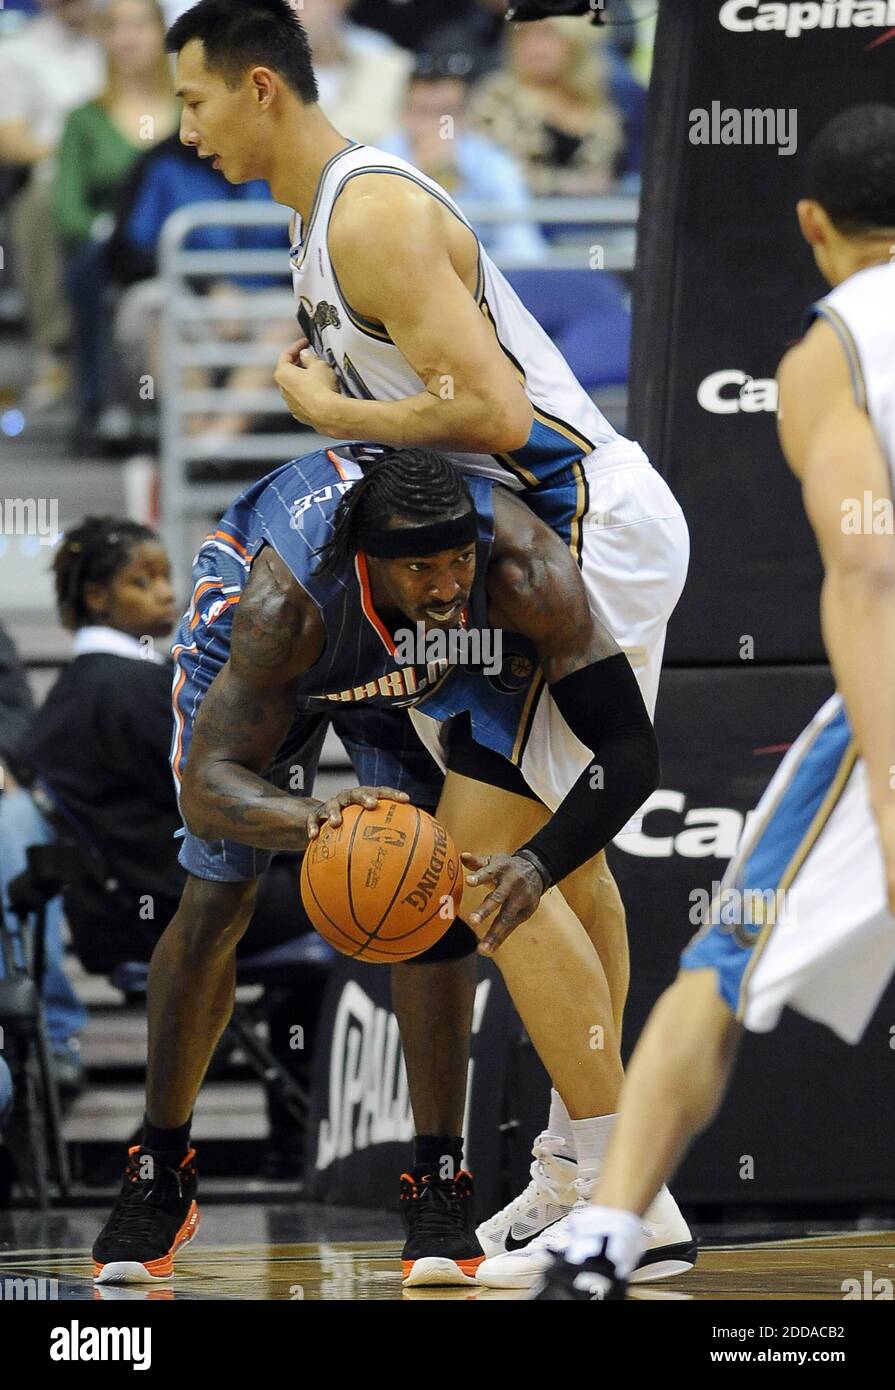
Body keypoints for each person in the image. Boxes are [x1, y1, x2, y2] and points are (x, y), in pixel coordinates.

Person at [159, 0, 691, 1287]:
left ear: (261, 88)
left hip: (575, 529)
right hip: (531, 543)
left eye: (193, 100)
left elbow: (497, 408)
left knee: (473, 860)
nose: (182, 127)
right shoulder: (315, 227)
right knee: (562, 875)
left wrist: (321, 402)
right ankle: (585, 1172)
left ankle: (625, 1195)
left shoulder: (370, 212)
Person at [91, 442, 692, 1288]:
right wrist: (310, 818)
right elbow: (204, 791)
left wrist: (536, 862)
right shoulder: (282, 608)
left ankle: (439, 1178)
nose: (447, 586)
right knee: (216, 899)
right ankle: (159, 1166)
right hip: (297, 672)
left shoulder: (521, 569)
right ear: (371, 563)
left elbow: (630, 749)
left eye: (457, 562)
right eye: (422, 570)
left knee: (429, 887)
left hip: (423, 675)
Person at [532, 103, 895, 1300]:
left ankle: (605, 1230)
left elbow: (866, 568)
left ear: (811, 224)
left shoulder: (827, 355)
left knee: (724, 958)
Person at [15, 517, 329, 1172]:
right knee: (352, 903)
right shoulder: (127, 686)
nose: (166, 594)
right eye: (142, 580)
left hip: (123, 912)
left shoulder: (77, 691)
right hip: (165, 902)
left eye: (166, 576)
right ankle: (297, 1143)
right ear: (97, 597)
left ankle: (284, 1135)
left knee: (328, 898)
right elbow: (219, 795)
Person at [53, 0, 180, 453]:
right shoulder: (83, 118)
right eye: (116, 27)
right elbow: (66, 207)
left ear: (162, 34)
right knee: (87, 268)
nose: (127, 38)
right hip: (115, 251)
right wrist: (113, 234)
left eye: (139, 26)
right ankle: (99, 405)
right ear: (103, 39)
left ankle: (178, 418)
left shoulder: (192, 109)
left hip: (186, 247)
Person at [0, 0, 105, 411]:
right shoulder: (18, 52)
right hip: (53, 171)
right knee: (44, 204)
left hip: (122, 174)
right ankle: (57, 344)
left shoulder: (115, 41)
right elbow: (8, 136)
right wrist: (75, 161)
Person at [379, 59, 547, 265]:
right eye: (422, 112)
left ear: (465, 115)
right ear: (403, 113)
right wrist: (420, 175)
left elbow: (524, 253)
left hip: (477, 283)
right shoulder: (378, 161)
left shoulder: (493, 164)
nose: (436, 125)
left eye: (446, 113)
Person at [467, 16, 624, 198]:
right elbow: (492, 172)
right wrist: (569, 184)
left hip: (593, 217)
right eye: (524, 35)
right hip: (520, 218)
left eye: (547, 35)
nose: (535, 47)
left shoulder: (599, 103)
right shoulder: (496, 97)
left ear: (574, 41)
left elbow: (607, 174)